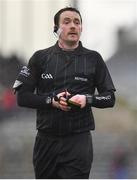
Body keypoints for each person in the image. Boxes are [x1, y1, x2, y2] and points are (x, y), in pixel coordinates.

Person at [13, 7, 116, 179]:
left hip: (78, 141)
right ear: (56, 28)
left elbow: (110, 97)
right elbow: (22, 97)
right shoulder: (39, 58)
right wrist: (51, 101)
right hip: (46, 141)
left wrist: (87, 99)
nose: (73, 26)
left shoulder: (94, 58)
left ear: (81, 28)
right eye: (66, 22)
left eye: (77, 22)